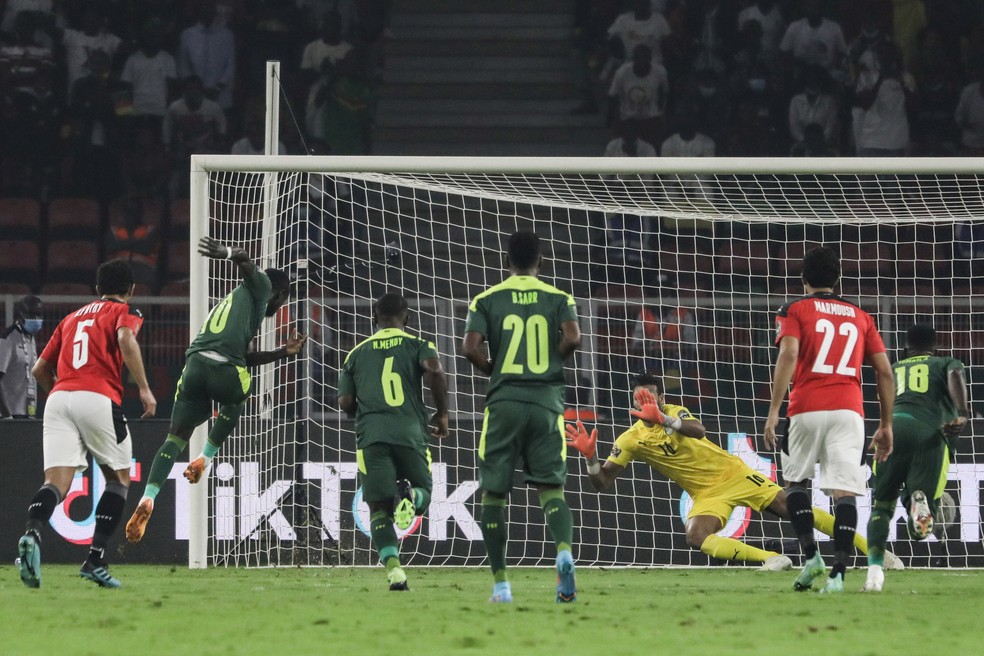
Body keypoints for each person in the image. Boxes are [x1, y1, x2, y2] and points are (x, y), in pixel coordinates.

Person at [566, 373, 898, 570]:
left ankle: (873, 551)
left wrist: (664, 418)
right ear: (634, 403)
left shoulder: (674, 412)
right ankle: (770, 559)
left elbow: (699, 430)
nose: (647, 404)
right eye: (641, 400)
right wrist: (591, 458)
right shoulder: (630, 439)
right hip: (706, 494)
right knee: (696, 536)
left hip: (733, 473)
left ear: (661, 398)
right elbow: (602, 482)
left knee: (790, 509)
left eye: (652, 398)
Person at [125, 236, 306, 544]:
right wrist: (227, 253)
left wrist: (282, 353)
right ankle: (205, 459)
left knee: (174, 439)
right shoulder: (262, 287)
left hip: (194, 366)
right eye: (283, 301)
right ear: (281, 294)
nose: (280, 307)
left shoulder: (240, 303)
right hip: (225, 372)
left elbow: (244, 357)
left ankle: (149, 497)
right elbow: (245, 259)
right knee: (238, 393)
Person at [16, 260, 157, 589]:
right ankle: (95, 559)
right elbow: (125, 340)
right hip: (98, 397)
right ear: (132, 290)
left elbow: (39, 370)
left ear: (97, 289)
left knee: (56, 483)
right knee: (119, 479)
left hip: (58, 398)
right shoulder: (125, 311)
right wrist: (145, 389)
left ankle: (32, 533)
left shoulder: (70, 319)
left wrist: (67, 396)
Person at [764, 245, 895, 593]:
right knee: (845, 494)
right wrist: (886, 424)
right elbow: (884, 371)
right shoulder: (861, 316)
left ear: (803, 278)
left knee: (794, 485)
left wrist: (775, 410)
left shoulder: (793, 309)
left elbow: (789, 353)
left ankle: (811, 559)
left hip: (804, 408)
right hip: (849, 412)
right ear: (837, 279)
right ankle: (838, 573)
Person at [460, 230, 581, 603]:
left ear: (505, 261)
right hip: (546, 402)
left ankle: (501, 586)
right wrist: (550, 361)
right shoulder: (559, 297)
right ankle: (562, 551)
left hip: (504, 402)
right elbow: (574, 337)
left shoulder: (486, 299)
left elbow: (470, 347)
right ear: (541, 261)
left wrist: (490, 368)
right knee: (551, 489)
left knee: (494, 493)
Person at [337, 292, 449, 591]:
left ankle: (394, 571)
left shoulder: (355, 354)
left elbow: (345, 401)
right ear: (407, 318)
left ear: (374, 318)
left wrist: (359, 406)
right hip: (411, 432)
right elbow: (435, 369)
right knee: (424, 490)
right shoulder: (419, 345)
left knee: (379, 509)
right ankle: (412, 497)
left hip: (372, 437)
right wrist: (442, 414)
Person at [864, 324, 970, 592]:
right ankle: (918, 502)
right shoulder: (946, 361)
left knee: (881, 508)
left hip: (893, 429)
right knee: (921, 530)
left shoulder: (894, 367)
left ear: (904, 348)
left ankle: (874, 576)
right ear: (936, 349)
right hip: (931, 435)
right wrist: (961, 411)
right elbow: (955, 373)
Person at [0, 295, 43, 418]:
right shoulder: (7, 339)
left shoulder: (30, 338)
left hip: (27, 412)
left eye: (39, 315)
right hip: (8, 415)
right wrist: (6, 414)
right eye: (31, 315)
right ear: (21, 315)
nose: (36, 319)